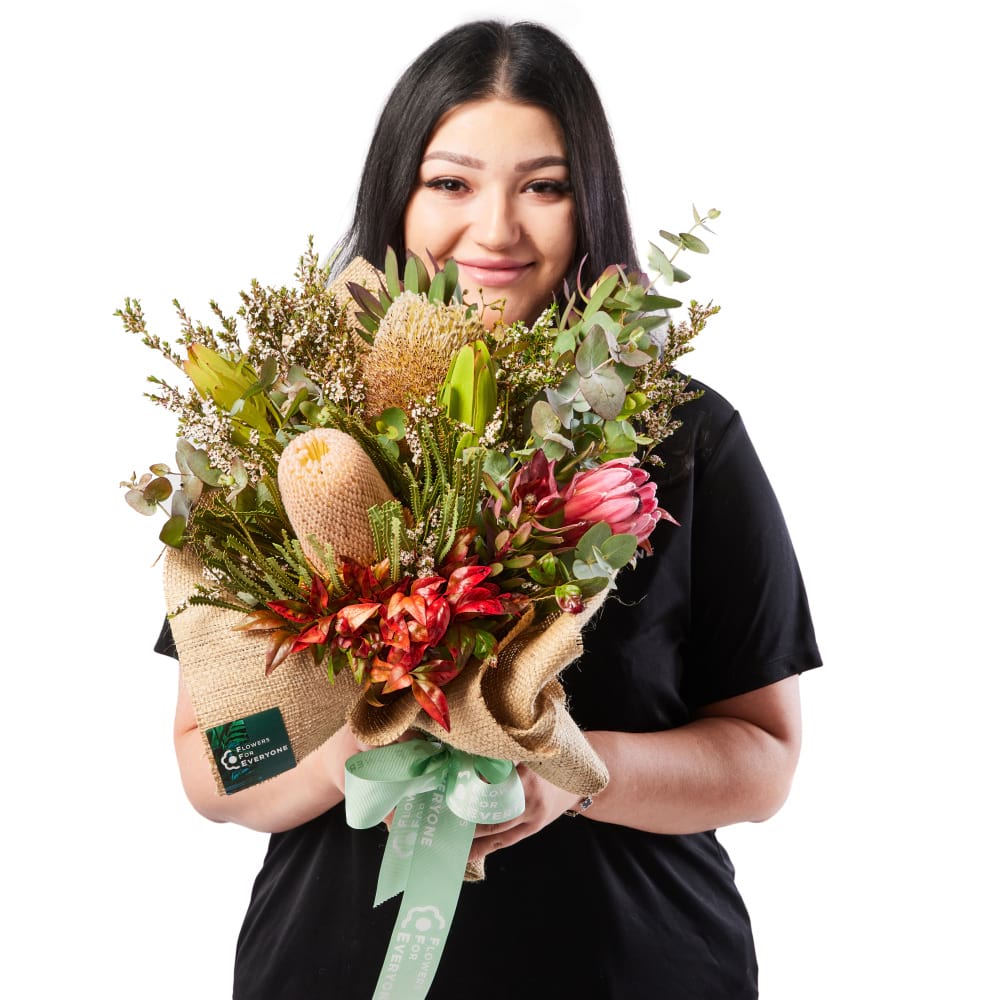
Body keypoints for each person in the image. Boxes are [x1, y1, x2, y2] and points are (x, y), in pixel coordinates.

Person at [161, 19, 822, 999]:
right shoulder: (283, 437)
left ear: (586, 200)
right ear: (398, 193)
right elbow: (214, 758)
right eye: (453, 182)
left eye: (543, 186)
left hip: (636, 970)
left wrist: (575, 772)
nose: (497, 229)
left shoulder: (682, 440)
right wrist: (338, 758)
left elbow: (762, 759)